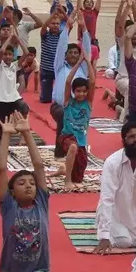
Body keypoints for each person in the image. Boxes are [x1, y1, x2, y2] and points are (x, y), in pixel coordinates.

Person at [0, 113, 53, 272]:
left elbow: (39, 165)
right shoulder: (8, 206)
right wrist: (7, 135)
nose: (29, 185)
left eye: (31, 182)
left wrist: (28, 132)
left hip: (38, 271)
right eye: (21, 183)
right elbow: (0, 168)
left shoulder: (42, 201)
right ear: (11, 191)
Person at [92, 123, 136, 253]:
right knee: (125, 242)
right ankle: (106, 229)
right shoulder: (112, 162)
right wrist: (104, 236)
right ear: (124, 140)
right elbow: (107, 199)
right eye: (131, 137)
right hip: (115, 215)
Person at [49, 51, 95, 190]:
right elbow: (68, 81)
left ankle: (64, 170)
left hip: (81, 141)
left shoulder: (88, 103)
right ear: (74, 92)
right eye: (78, 91)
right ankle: (67, 180)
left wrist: (87, 62)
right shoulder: (69, 102)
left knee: (79, 176)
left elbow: (92, 82)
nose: (81, 94)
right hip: (66, 137)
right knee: (72, 147)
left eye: (84, 91)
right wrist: (78, 64)